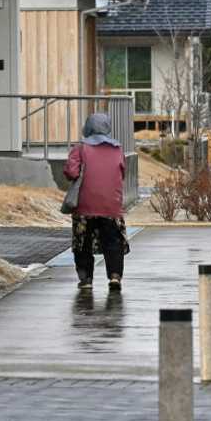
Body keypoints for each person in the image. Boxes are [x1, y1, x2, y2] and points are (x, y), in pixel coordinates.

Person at [64, 113, 129, 291]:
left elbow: (71, 172)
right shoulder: (118, 148)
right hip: (111, 204)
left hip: (85, 204)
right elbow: (122, 172)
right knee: (112, 241)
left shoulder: (80, 148)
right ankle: (115, 276)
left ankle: (86, 279)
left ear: (88, 127)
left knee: (82, 241)